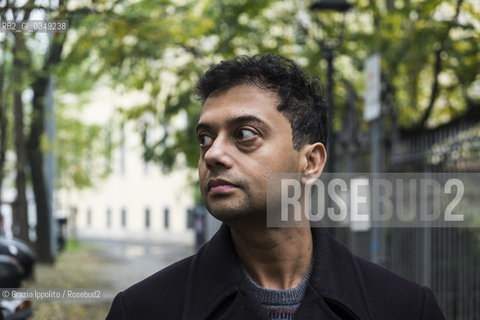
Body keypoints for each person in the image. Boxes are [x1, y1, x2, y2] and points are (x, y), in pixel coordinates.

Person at [106, 53, 445, 320]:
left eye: (245, 135)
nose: (213, 154)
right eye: (205, 138)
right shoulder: (140, 310)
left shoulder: (405, 308)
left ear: (310, 163)